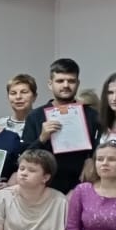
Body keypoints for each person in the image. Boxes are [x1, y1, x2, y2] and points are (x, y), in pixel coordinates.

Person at [21, 58, 100, 194]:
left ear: (78, 83)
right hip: (44, 188)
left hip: (82, 187)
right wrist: (42, 138)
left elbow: (101, 148)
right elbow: (24, 157)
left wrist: (92, 159)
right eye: (60, 81)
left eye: (71, 81)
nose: (66, 85)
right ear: (50, 84)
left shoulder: (92, 115)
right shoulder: (35, 116)